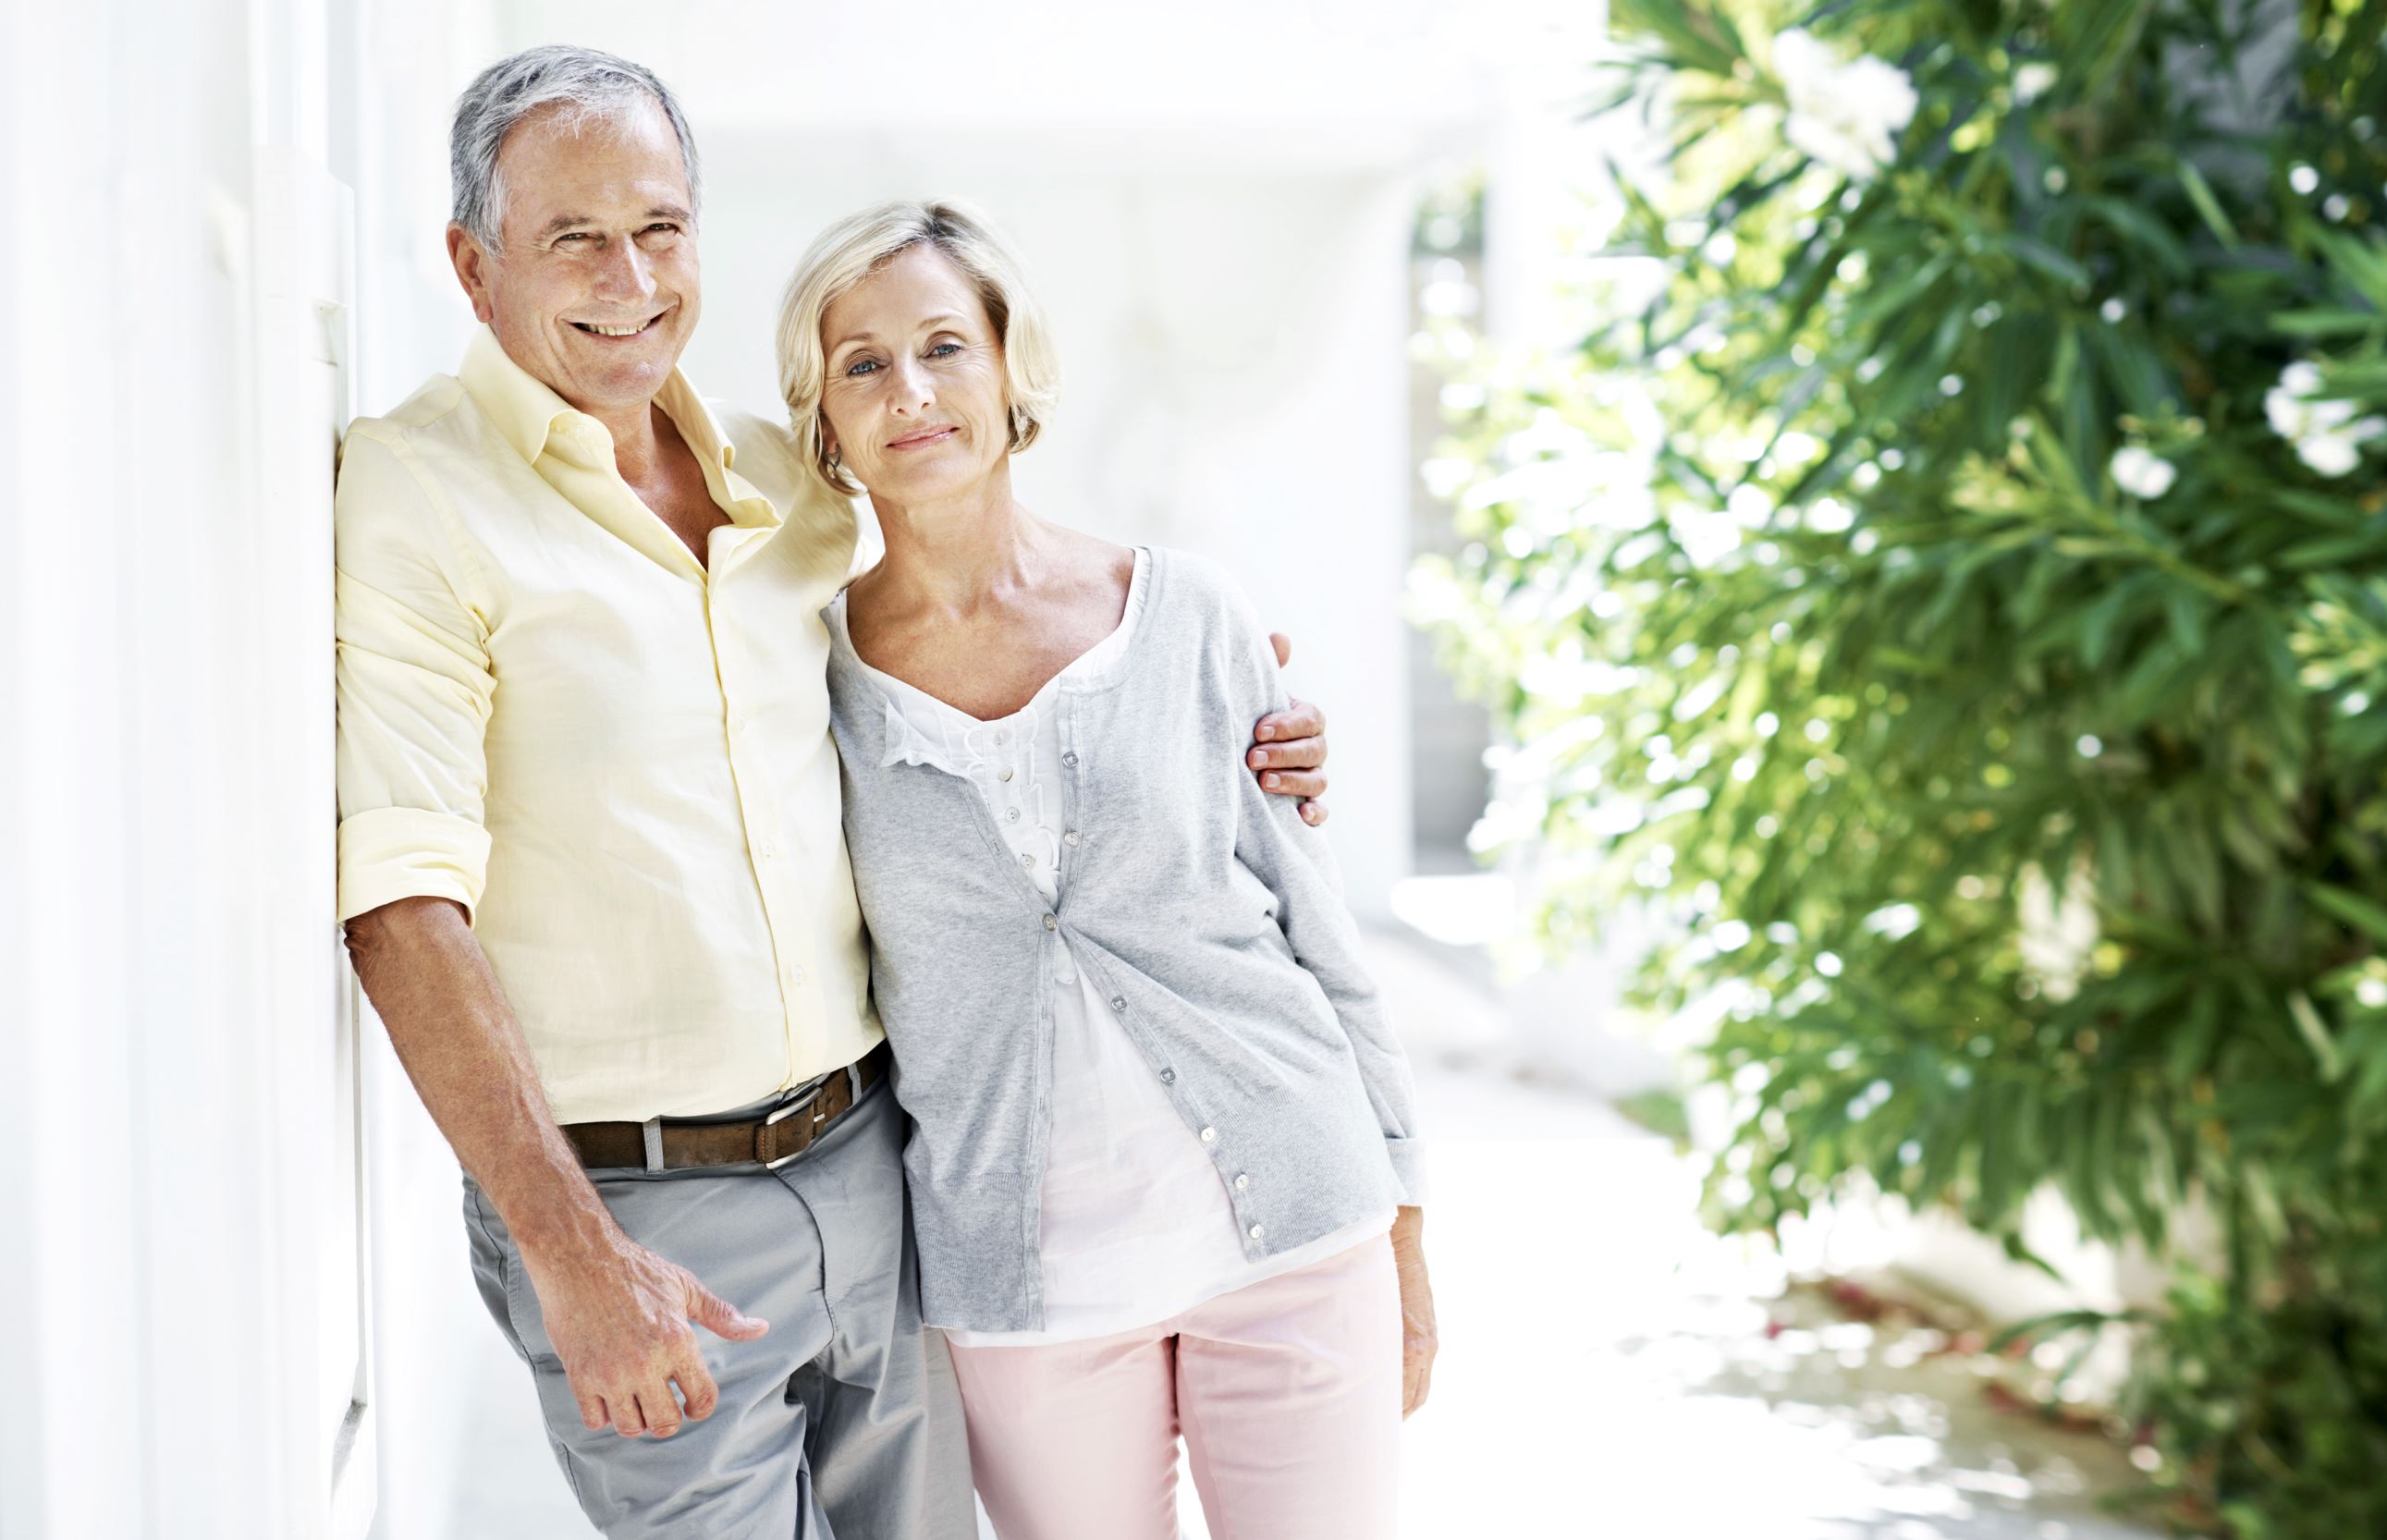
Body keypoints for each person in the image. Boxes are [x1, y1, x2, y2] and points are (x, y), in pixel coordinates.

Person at [333, 48, 1333, 1540]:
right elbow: (403, 904)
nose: (630, 276)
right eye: (572, 240)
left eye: (659, 228)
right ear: (475, 271)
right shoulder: (417, 491)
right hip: (636, 1202)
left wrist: (1220, 696)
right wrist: (569, 1250)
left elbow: (979, 582)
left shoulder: (780, 478)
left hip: (879, 1165)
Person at [785, 200, 1438, 1540]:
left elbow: (1319, 939)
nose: (910, 390)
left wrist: (1405, 1232)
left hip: (1298, 1236)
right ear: (825, 415)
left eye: (943, 345)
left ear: (1008, 364)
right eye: (863, 363)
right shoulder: (803, 680)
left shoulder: (1183, 613)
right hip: (1028, 1292)